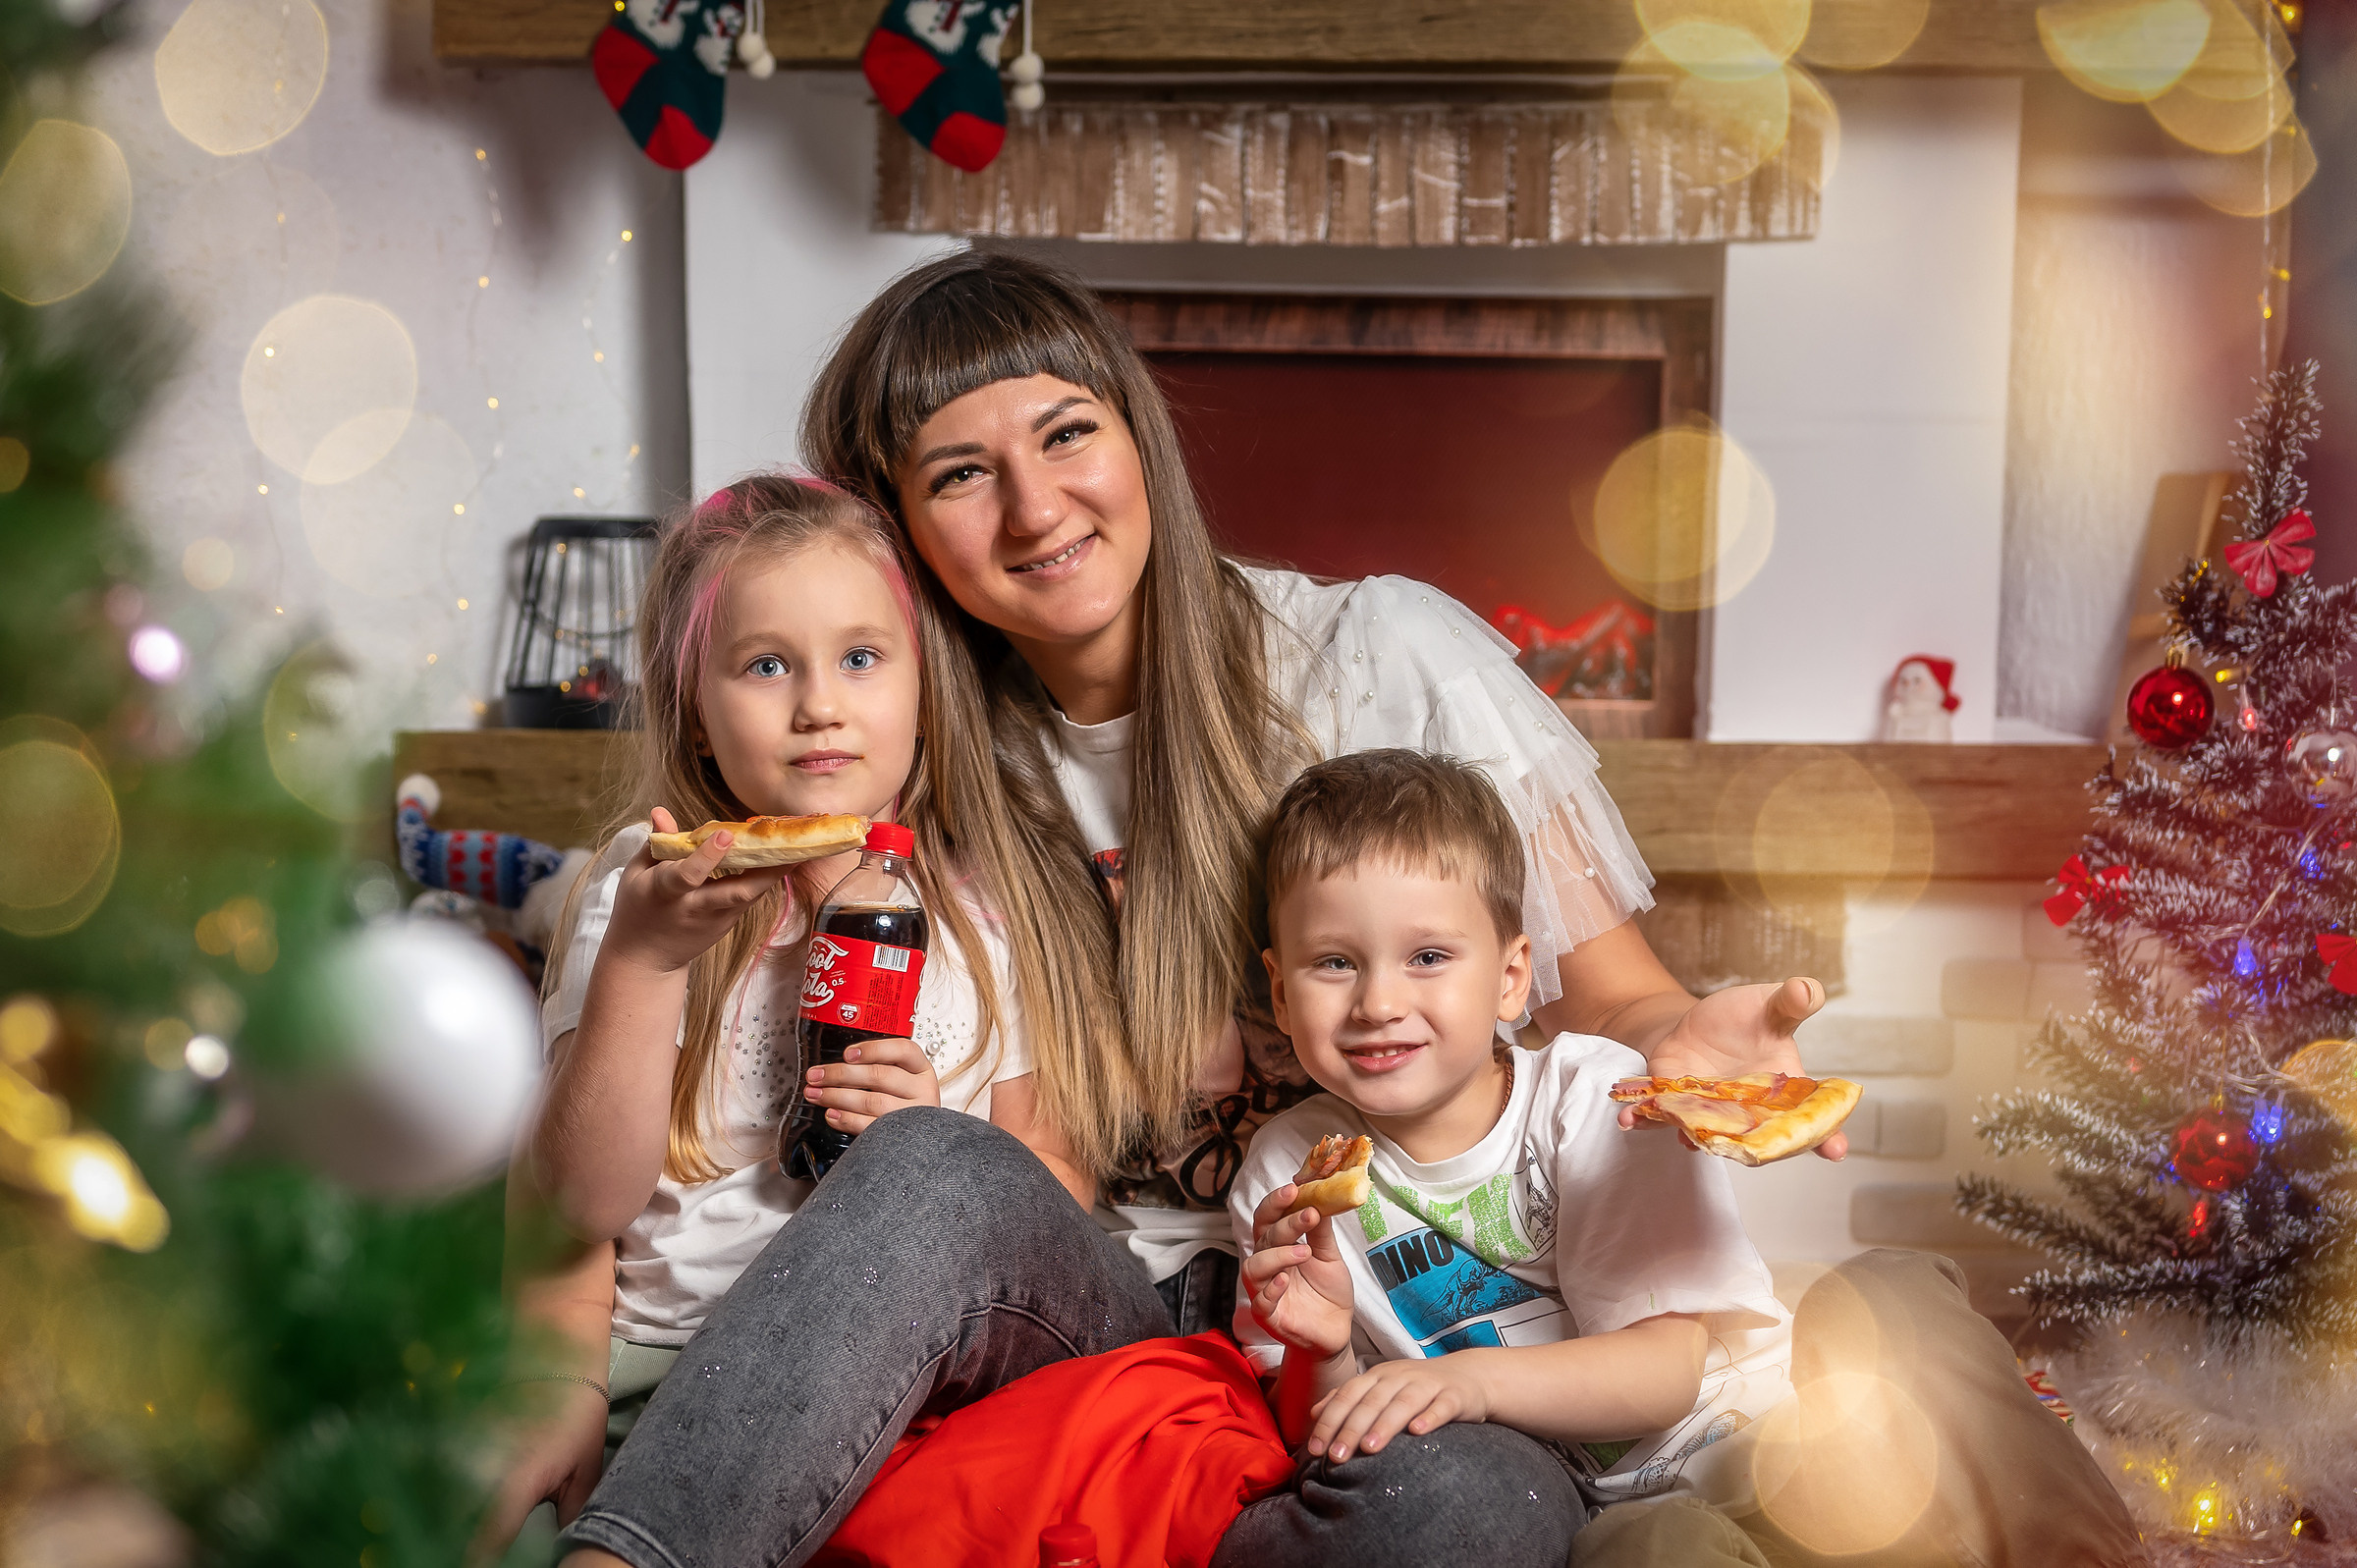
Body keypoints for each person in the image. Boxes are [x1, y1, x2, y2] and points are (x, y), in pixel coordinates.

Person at [550, 251, 2012, 1568]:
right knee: (931, 1165)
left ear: (1136, 433)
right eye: (958, 473)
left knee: (1474, 1503)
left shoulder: (1378, 658)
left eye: (1067, 433)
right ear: (894, 539)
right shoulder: (903, 737)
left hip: (1388, 1321)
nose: (1038, 504)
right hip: (1112, 1307)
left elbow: (1599, 998)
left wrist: (1679, 1040)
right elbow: (667, 986)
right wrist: (551, 1335)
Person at [478, 475, 1087, 1554]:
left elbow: (1055, 1192)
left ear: (922, 690)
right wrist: (642, 964)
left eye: (861, 657)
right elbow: (576, 1201)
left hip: (906, 1391)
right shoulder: (648, 889)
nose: (820, 703)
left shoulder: (991, 911)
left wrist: (941, 1146)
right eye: (766, 665)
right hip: (662, 1371)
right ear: (697, 717)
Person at [1224, 750, 1789, 1564]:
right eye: (1335, 962)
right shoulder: (1288, 1172)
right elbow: (1335, 1431)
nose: (1379, 1003)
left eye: (1427, 956)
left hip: (1757, 1445)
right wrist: (1323, 1351)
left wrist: (1470, 1381)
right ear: (1281, 993)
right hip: (1595, 1510)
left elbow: (1666, 1372)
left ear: (1511, 977)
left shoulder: (1594, 1096)